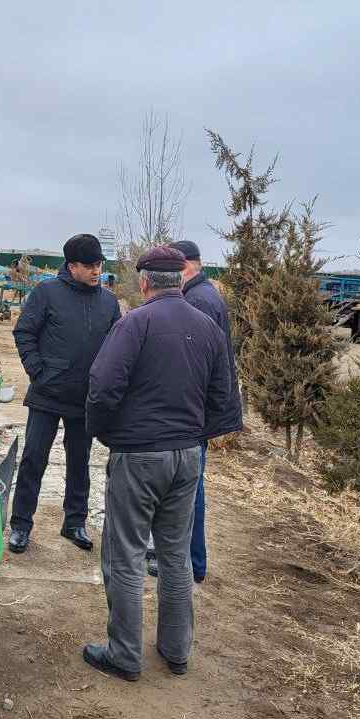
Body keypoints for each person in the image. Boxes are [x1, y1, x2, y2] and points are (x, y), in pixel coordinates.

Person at [82, 246, 232, 681]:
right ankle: (176, 650)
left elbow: (102, 387)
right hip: (187, 457)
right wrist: (193, 435)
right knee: (175, 554)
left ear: (145, 281)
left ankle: (124, 654)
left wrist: (106, 434)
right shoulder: (207, 327)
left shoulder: (135, 323)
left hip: (140, 455)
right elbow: (222, 395)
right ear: (180, 279)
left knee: (125, 553)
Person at [8, 233, 121, 553]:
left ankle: (75, 522)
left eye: (99, 265)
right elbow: (24, 332)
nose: (97, 271)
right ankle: (20, 524)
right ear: (71, 266)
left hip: (85, 397)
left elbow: (118, 346)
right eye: (90, 266)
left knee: (80, 461)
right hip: (47, 394)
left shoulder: (109, 303)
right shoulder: (47, 293)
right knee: (33, 459)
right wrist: (38, 371)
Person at [143, 239, 243, 582]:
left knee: (188, 490)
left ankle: (189, 561)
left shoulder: (198, 301)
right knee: (188, 486)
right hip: (196, 411)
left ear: (184, 266)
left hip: (192, 415)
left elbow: (194, 363)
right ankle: (187, 559)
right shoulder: (205, 294)